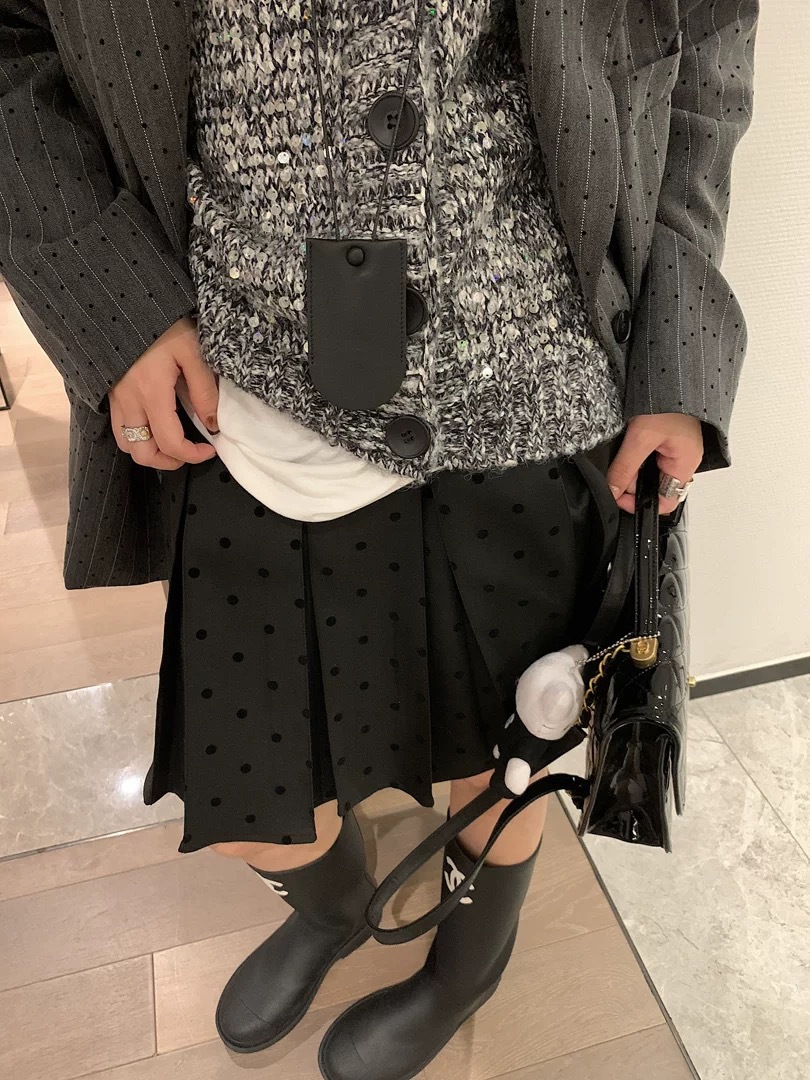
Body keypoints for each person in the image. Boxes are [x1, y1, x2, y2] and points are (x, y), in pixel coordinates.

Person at [0, 1, 759, 1076]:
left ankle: (468, 962)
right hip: (248, 395)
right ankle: (335, 904)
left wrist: (679, 350)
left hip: (542, 383)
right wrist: (110, 300)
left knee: (514, 759)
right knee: (254, 797)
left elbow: (708, 41)